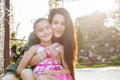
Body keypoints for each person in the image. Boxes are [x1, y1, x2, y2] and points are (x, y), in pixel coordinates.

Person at [1, 8, 77, 80]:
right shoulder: (34, 41)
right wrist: (47, 52)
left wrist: (51, 73)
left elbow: (68, 70)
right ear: (50, 23)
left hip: (55, 76)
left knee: (42, 78)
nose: (59, 27)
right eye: (55, 23)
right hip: (38, 74)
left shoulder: (62, 45)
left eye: (63, 24)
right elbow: (22, 63)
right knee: (26, 72)